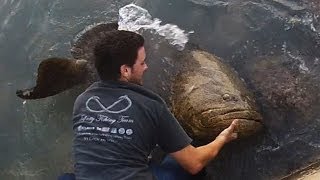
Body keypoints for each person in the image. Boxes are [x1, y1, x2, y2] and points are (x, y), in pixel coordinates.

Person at [69, 30, 238, 180]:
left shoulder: (82, 101)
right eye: (142, 63)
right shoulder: (151, 104)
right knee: (177, 162)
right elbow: (194, 164)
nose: (146, 67)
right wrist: (222, 138)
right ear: (125, 71)